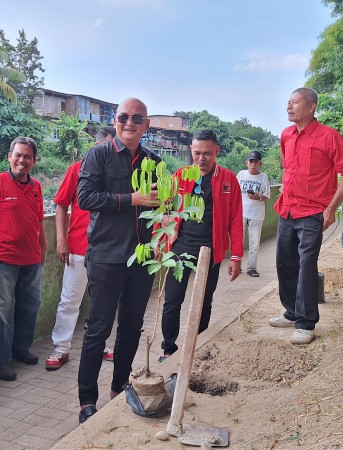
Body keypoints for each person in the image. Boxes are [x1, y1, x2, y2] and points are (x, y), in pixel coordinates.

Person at [76, 97, 161, 424]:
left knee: (131, 327)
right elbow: (85, 198)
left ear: (145, 125)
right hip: (106, 258)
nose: (130, 122)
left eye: (137, 118)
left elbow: (157, 208)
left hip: (141, 260)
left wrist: (159, 238)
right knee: (98, 329)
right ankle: (86, 401)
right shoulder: (98, 155)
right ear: (116, 122)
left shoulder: (153, 161)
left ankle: (118, 386)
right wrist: (132, 199)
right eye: (124, 117)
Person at [271, 87, 343, 345]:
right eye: (288, 102)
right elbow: (289, 167)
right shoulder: (286, 135)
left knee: (306, 264)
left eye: (295, 102)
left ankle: (306, 322)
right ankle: (292, 311)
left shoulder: (329, 137)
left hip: (313, 213)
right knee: (284, 262)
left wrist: (330, 208)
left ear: (310, 107)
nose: (289, 106)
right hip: (286, 208)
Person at [160, 130, 243, 359]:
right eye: (197, 153)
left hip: (211, 251)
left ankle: (199, 345)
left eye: (207, 153)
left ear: (217, 151)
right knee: (172, 301)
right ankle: (168, 348)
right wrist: (161, 235)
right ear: (191, 151)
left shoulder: (228, 179)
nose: (201, 159)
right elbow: (164, 209)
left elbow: (236, 220)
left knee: (204, 301)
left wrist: (236, 256)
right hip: (179, 248)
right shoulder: (181, 176)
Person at [46, 126, 116, 371]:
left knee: (103, 302)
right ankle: (61, 348)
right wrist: (61, 240)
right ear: (96, 146)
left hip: (108, 249)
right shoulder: (77, 169)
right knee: (69, 300)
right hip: (78, 247)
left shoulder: (118, 172)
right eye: (106, 147)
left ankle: (103, 344)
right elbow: (61, 205)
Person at [0, 136, 47, 381]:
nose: (22, 160)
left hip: (31, 259)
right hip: (3, 259)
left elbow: (39, 220)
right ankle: (0, 360)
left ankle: (21, 348)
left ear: (34, 160)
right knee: (1, 310)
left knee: (30, 306)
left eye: (27, 156)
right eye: (18, 155)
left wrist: (43, 247)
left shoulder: (37, 187)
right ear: (9, 157)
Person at [236, 150, 271, 277]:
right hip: (240, 213)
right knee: (238, 241)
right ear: (247, 163)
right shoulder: (241, 175)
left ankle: (252, 268)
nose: (253, 164)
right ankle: (237, 266)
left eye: (256, 162)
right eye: (251, 161)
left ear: (260, 163)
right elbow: (234, 193)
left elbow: (267, 196)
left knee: (254, 242)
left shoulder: (263, 177)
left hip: (256, 214)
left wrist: (258, 197)